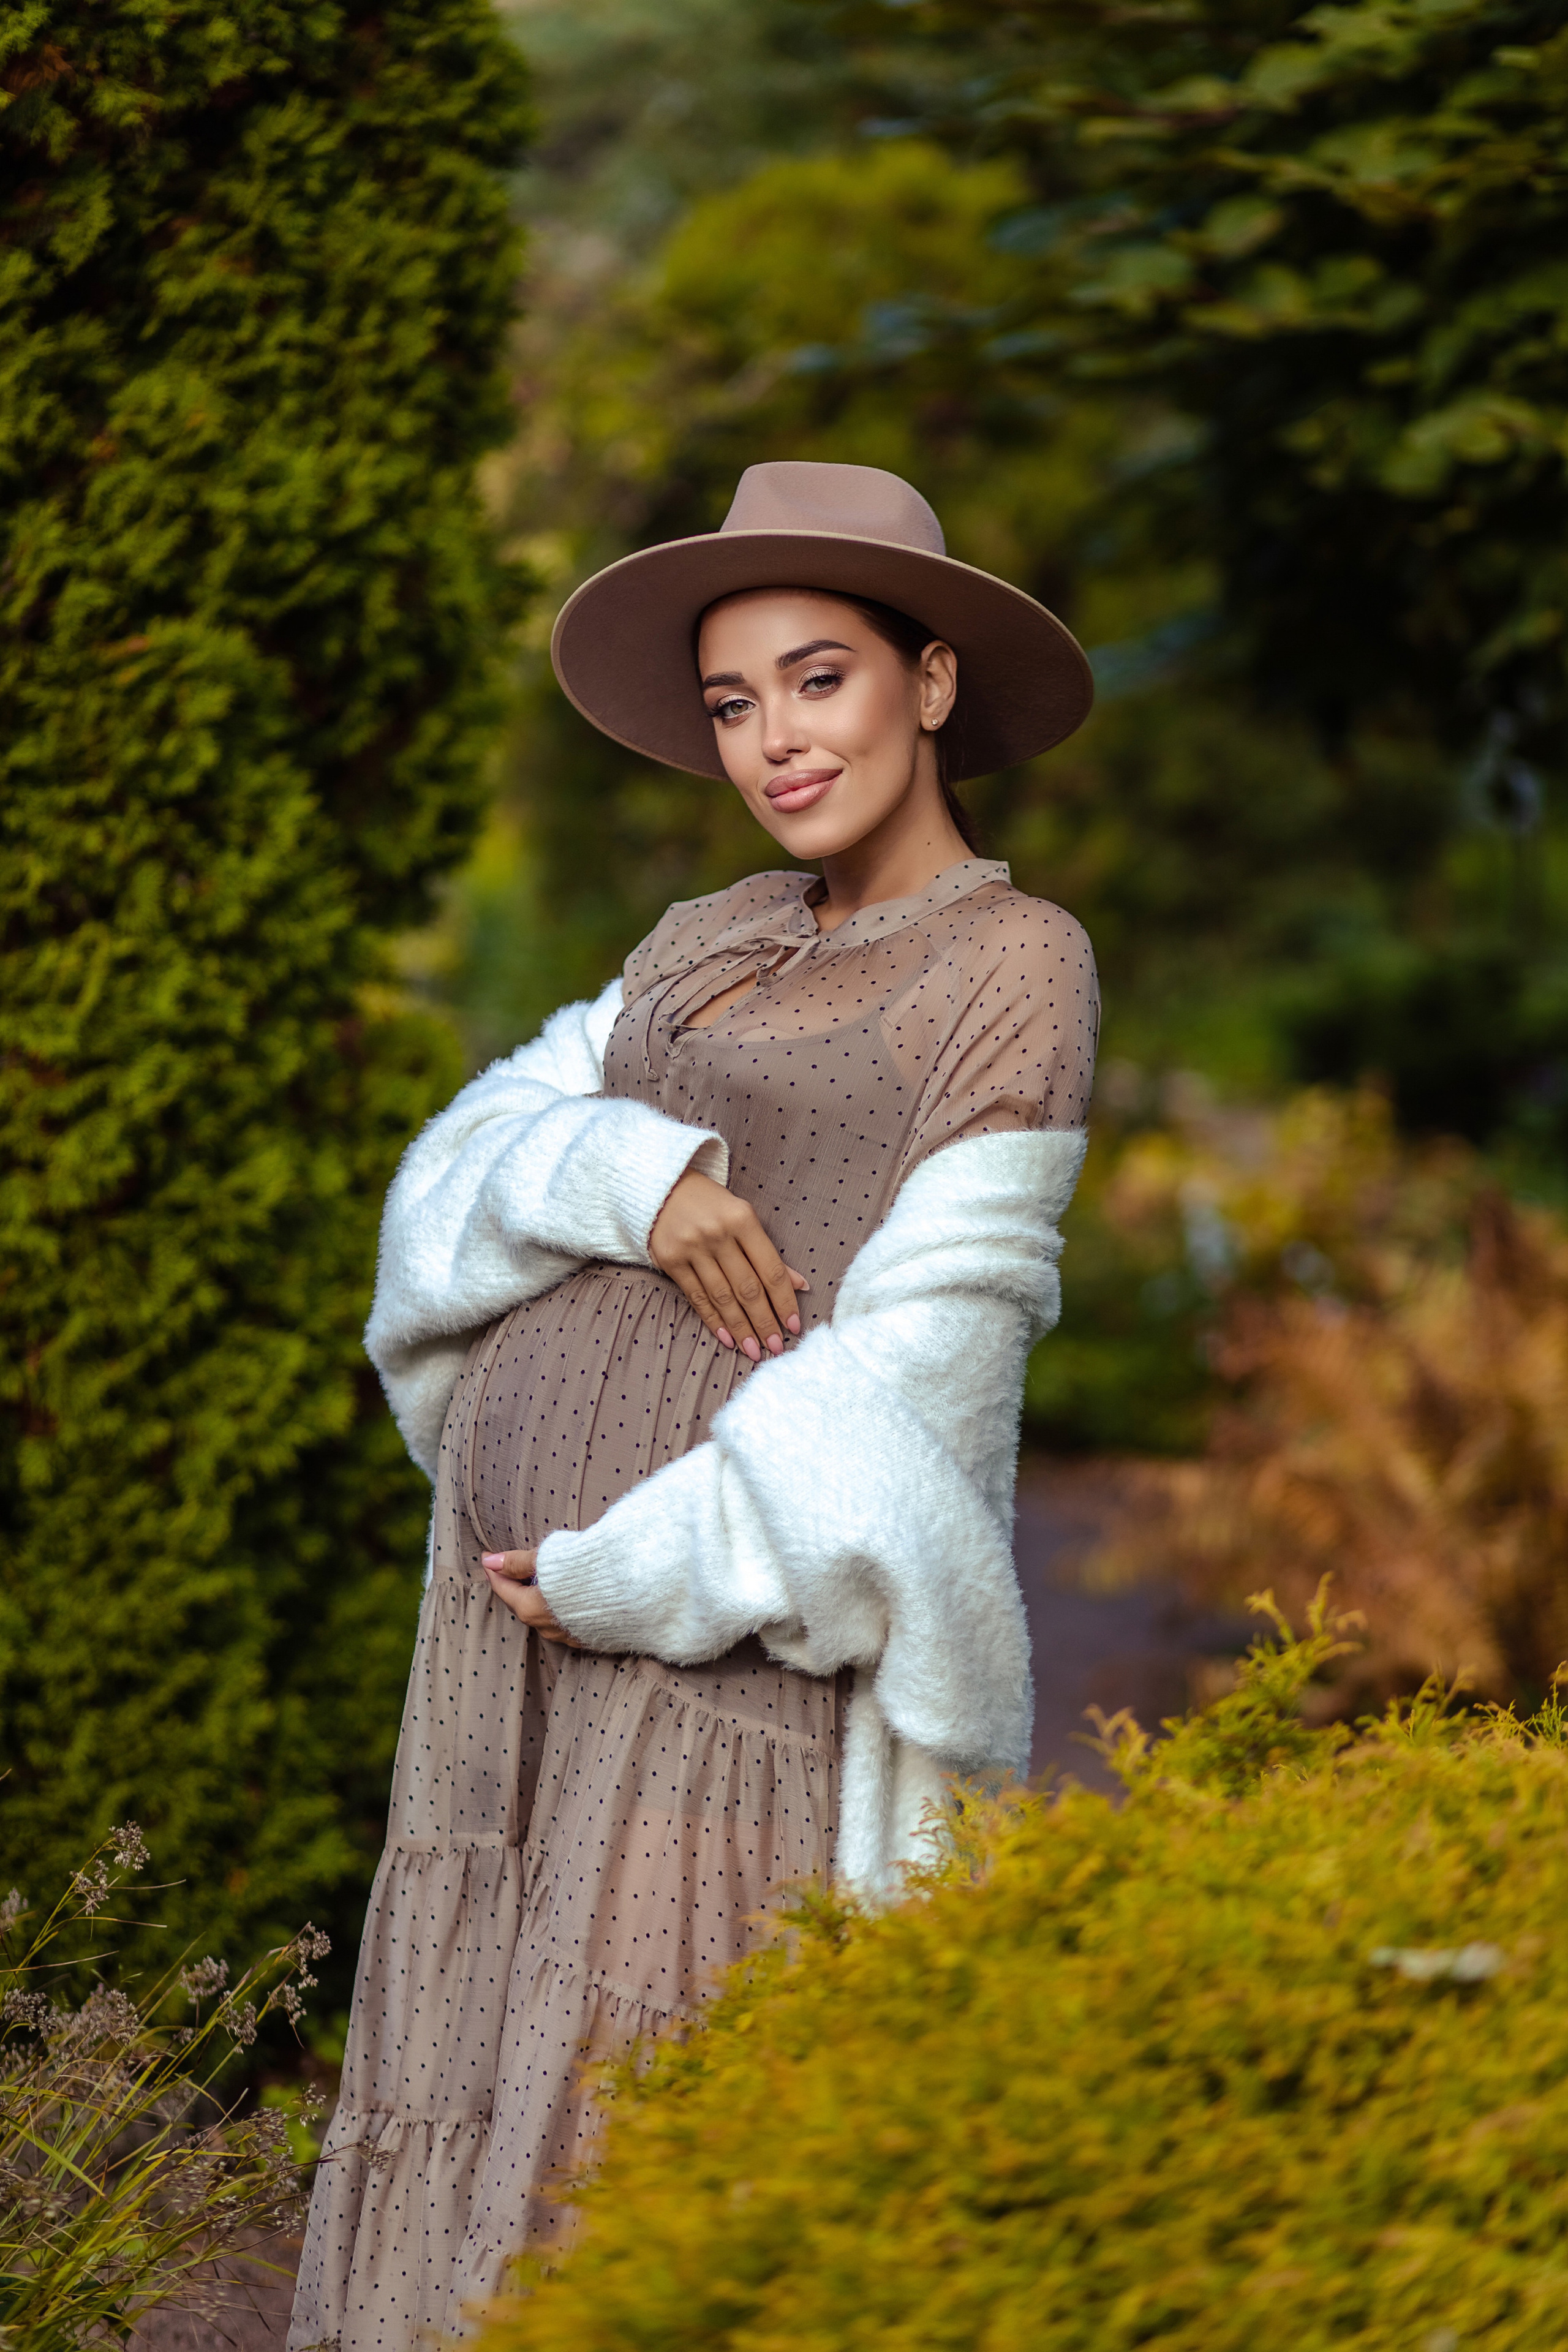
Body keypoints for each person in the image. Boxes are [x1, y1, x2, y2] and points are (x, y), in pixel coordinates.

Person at [288, 462, 1099, 2351]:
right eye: (735, 704)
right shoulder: (701, 938)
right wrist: (632, 1177)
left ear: (933, 681)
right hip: (505, 1648)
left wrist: (642, 1563)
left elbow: (931, 1365)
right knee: (487, 2078)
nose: (774, 744)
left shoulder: (1016, 963)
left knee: (649, 2121)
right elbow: (458, 1173)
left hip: (715, 1643)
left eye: (820, 681)